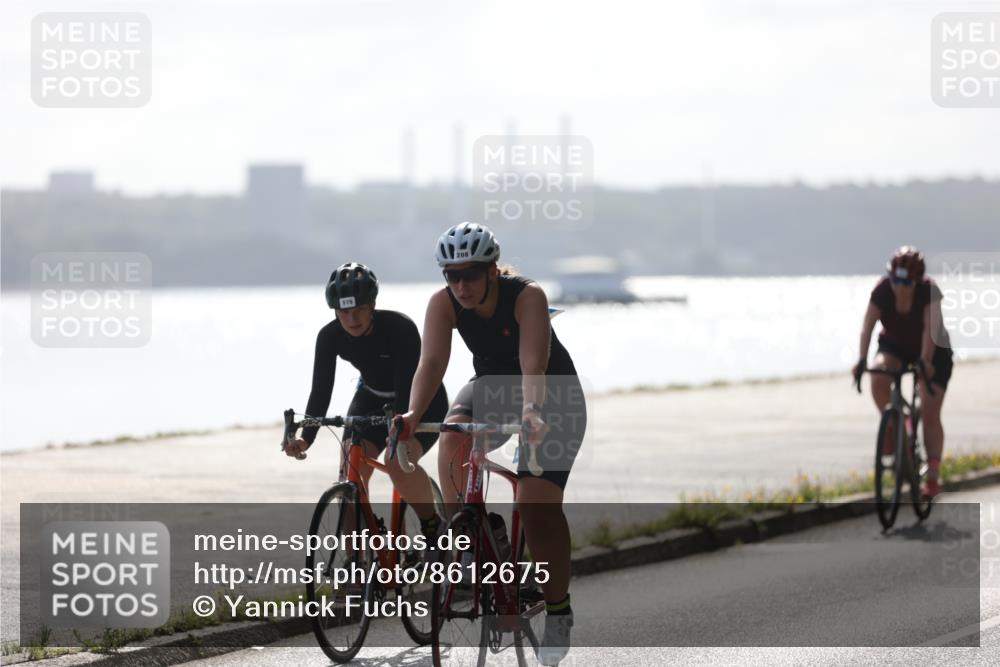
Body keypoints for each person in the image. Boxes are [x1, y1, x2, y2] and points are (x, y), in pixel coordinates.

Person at [394, 222, 587, 666]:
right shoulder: (443, 304)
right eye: (451, 275)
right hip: (490, 389)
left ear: (492, 271)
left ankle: (558, 609)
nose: (460, 285)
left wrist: (533, 413)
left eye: (470, 275)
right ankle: (476, 538)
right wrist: (411, 414)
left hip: (552, 397)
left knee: (539, 510)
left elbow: (533, 364)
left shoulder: (526, 296)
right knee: (450, 439)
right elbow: (432, 362)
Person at [284, 262, 449, 538]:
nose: (352, 319)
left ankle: (433, 526)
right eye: (344, 312)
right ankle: (356, 568)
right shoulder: (329, 336)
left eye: (359, 309)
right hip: (371, 396)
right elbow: (321, 390)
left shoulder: (400, 327)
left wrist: (399, 432)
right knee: (350, 475)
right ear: (335, 312)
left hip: (420, 400)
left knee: (397, 463)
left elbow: (407, 386)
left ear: (372, 305)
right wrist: (306, 438)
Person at [852, 246, 953, 497]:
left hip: (934, 349)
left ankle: (932, 475)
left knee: (930, 411)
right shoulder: (882, 290)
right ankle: (895, 425)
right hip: (895, 345)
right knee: (878, 376)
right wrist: (862, 359)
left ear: (917, 281)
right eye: (896, 279)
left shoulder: (929, 291)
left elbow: (930, 331)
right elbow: (868, 327)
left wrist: (925, 362)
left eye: (907, 281)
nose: (900, 286)